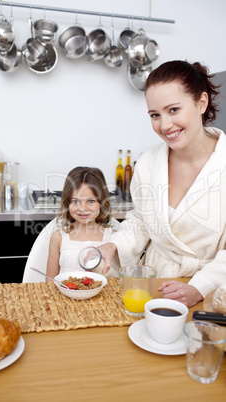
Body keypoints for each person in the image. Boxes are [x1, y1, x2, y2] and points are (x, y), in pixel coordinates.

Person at [100, 60, 226, 307]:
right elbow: (141, 220)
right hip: (155, 287)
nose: (164, 125)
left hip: (213, 293)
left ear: (201, 103)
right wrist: (113, 245)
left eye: (174, 110)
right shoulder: (148, 162)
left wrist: (198, 288)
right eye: (155, 115)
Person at [46, 166, 119, 278]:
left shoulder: (113, 238)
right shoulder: (58, 237)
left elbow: (119, 280)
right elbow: (50, 281)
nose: (83, 208)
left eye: (91, 201)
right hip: (65, 295)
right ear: (67, 203)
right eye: (75, 201)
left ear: (101, 202)